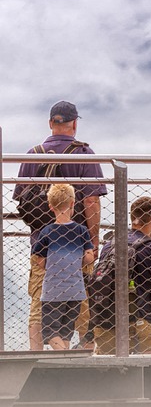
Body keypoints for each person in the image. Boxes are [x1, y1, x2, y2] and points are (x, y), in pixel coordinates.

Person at [13, 100, 107, 351]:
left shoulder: (32, 154)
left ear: (50, 123)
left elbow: (22, 201)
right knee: (82, 302)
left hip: (41, 247)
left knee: (39, 302)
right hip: (77, 247)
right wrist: (93, 241)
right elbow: (91, 200)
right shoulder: (84, 154)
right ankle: (85, 354)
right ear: (74, 123)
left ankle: (35, 356)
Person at [93, 196, 151, 355]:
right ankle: (138, 358)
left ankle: (112, 356)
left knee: (108, 344)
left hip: (103, 330)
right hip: (137, 331)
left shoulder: (110, 245)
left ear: (132, 217)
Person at [30, 182, 95, 351]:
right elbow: (89, 256)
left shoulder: (47, 232)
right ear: (73, 203)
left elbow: (40, 260)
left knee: (50, 331)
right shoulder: (81, 231)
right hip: (76, 290)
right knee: (66, 331)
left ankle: (65, 354)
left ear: (50, 207)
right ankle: (65, 359)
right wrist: (74, 261)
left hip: (53, 290)